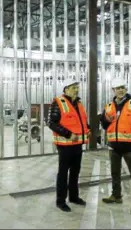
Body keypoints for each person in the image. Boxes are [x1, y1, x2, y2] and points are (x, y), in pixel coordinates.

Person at [100, 77, 131, 214]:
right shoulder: (109, 106)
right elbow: (104, 125)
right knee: (115, 173)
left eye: (122, 87)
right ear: (113, 90)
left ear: (126, 89)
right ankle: (116, 196)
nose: (120, 90)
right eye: (118, 88)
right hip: (114, 147)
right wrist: (106, 119)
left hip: (130, 148)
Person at [47, 78, 90, 212]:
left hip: (77, 145)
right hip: (65, 145)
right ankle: (61, 201)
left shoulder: (79, 104)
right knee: (63, 173)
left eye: (77, 87)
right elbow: (51, 123)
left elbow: (82, 122)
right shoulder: (58, 102)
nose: (76, 90)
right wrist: (67, 134)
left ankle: (74, 197)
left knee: (75, 172)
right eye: (73, 87)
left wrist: (88, 130)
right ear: (65, 89)